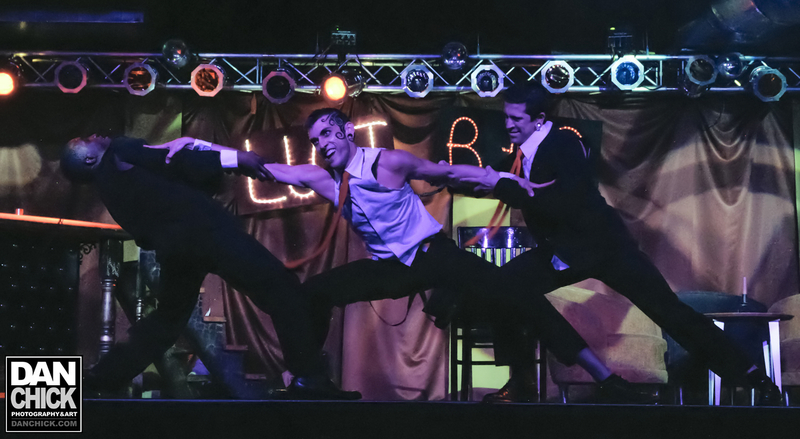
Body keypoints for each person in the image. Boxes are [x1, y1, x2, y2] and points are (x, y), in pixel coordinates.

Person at [152, 108, 653, 403]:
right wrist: (199, 145)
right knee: (312, 293)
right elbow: (261, 168)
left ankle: (604, 377)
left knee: (519, 296)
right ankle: (309, 379)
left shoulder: (387, 163)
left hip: (433, 255)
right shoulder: (322, 179)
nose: (322, 144)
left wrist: (506, 179)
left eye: (328, 134)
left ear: (347, 133)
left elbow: (450, 173)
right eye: (316, 140)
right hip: (391, 268)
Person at [456, 82, 784, 405]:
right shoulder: (528, 150)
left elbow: (559, 203)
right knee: (503, 285)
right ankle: (523, 381)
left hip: (605, 248)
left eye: (516, 118)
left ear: (539, 119)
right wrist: (448, 173)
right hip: (565, 250)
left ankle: (752, 377)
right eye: (507, 117)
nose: (508, 125)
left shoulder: (561, 145)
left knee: (670, 312)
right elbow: (499, 178)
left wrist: (502, 187)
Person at [60, 134, 360, 400]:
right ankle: (309, 378)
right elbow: (174, 160)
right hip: (207, 234)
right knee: (280, 288)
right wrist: (237, 159)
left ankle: (103, 377)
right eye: (87, 140)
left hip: (176, 249)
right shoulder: (120, 151)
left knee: (167, 320)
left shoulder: (110, 189)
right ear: (89, 159)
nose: (95, 134)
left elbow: (148, 224)